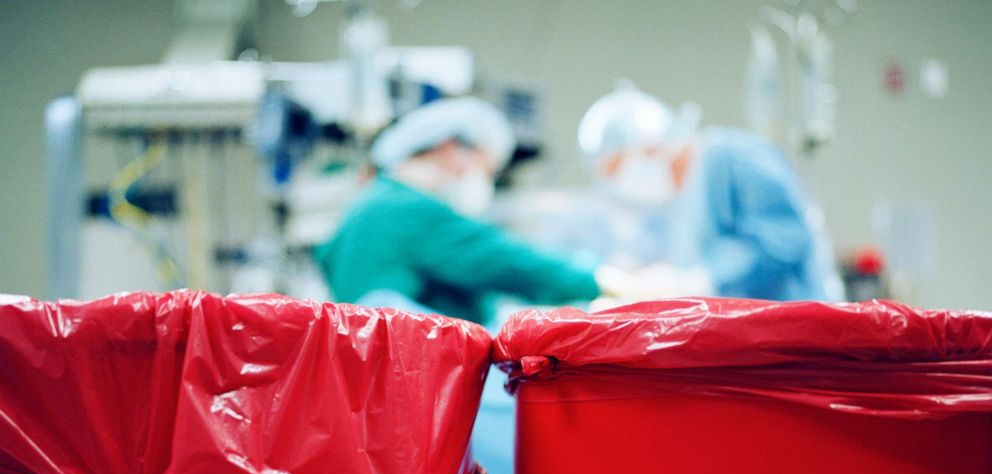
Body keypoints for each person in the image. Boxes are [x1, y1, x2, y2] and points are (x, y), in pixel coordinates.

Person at [315, 97, 610, 326]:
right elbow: (507, 261)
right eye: (487, 170)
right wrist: (604, 280)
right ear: (451, 148)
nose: (485, 184)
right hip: (418, 387)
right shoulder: (406, 209)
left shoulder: (368, 205)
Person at [579, 83, 842, 301]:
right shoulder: (682, 202)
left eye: (619, 170)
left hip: (793, 342)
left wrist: (703, 280)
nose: (625, 184)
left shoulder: (734, 157)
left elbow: (784, 240)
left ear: (648, 148)